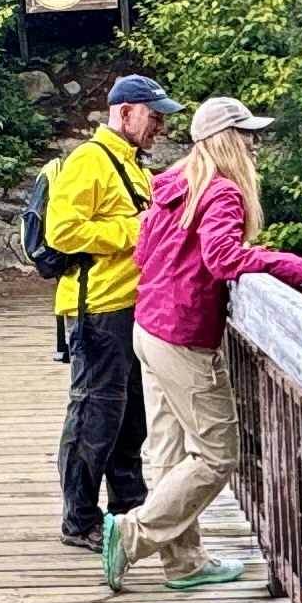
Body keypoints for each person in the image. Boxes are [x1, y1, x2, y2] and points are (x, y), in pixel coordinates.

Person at [106, 95, 302, 592]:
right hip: (184, 336)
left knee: (169, 451)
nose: (255, 144)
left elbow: (143, 253)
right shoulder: (222, 191)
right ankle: (131, 535)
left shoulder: (172, 182)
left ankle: (184, 563)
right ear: (228, 140)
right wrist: (301, 269)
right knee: (216, 455)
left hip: (148, 326)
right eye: (248, 135)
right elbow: (225, 259)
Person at [47, 73, 175, 550]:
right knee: (94, 414)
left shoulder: (132, 166)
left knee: (130, 416)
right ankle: (79, 519)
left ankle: (128, 510)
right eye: (154, 115)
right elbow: (63, 232)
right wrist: (135, 229)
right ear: (125, 112)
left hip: (130, 306)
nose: (159, 125)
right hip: (98, 307)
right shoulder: (89, 161)